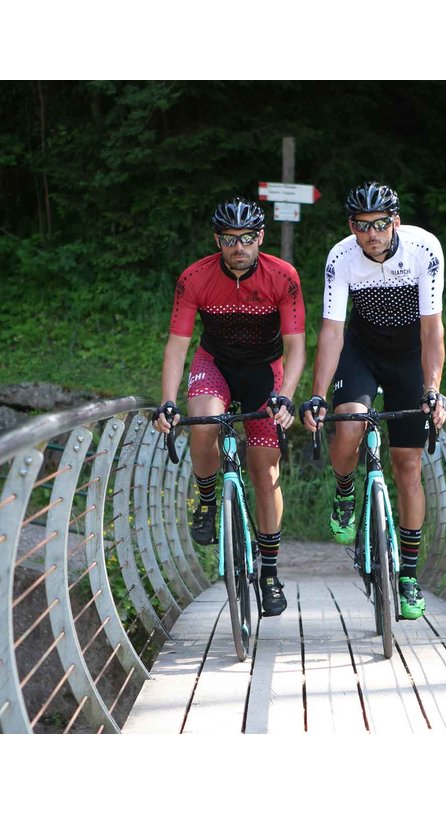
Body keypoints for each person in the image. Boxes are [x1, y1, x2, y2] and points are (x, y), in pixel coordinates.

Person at [302, 181, 446, 620]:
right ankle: (345, 491)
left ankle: (408, 575)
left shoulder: (425, 249)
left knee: (408, 467)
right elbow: (332, 331)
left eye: (381, 224)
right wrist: (317, 395)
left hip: (408, 358)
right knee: (350, 422)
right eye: (363, 226)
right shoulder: (341, 257)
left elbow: (432, 329)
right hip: (361, 353)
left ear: (395, 222)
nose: (373, 234)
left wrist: (432, 388)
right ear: (352, 227)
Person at [152, 196, 306, 617]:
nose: (239, 246)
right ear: (216, 240)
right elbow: (177, 346)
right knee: (203, 423)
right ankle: (206, 501)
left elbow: (296, 346)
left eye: (247, 238)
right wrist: (168, 402)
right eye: (229, 238)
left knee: (265, 471)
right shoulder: (194, 278)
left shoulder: (283, 276)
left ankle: (270, 572)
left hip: (264, 371)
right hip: (215, 363)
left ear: (261, 237)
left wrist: (287, 394)